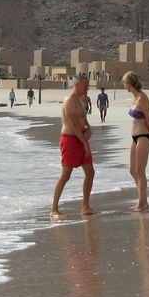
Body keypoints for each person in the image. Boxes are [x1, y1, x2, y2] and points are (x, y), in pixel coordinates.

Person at [51, 72, 96, 219]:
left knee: (90, 171)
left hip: (81, 138)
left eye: (87, 85)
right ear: (76, 85)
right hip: (70, 139)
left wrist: (88, 129)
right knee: (66, 174)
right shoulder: (69, 100)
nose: (87, 88)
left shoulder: (81, 101)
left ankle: (85, 206)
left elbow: (83, 120)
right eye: (85, 85)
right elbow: (73, 123)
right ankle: (54, 209)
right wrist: (85, 143)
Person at [124, 71, 149, 212]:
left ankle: (142, 203)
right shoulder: (135, 97)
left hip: (144, 136)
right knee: (133, 170)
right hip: (135, 137)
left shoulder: (142, 98)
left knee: (140, 171)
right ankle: (142, 199)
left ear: (129, 84)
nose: (124, 86)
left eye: (125, 83)